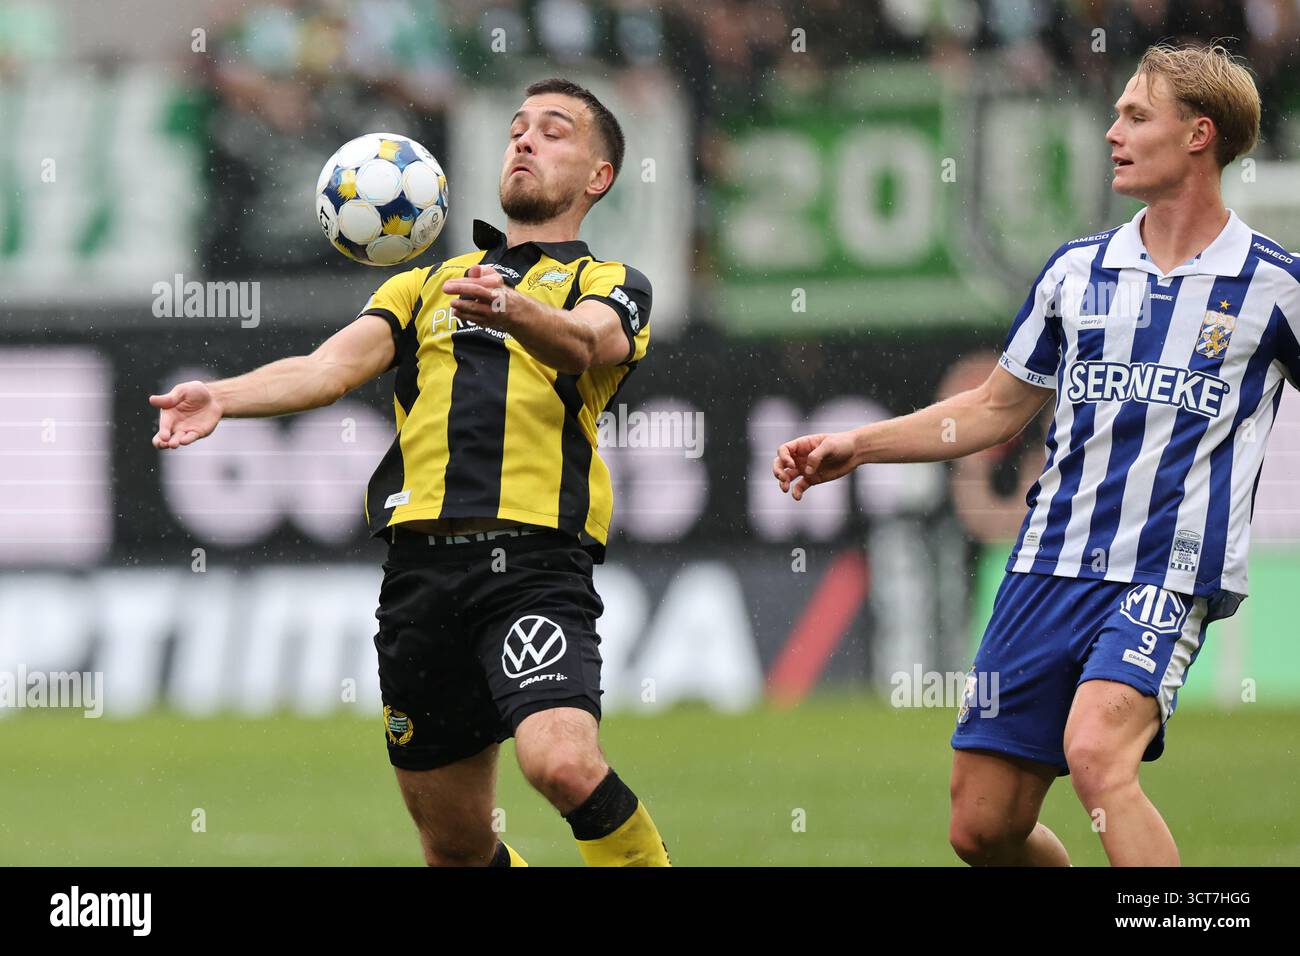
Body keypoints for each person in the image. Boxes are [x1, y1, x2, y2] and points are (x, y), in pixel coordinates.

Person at [773, 43, 1299, 866]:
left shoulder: (1275, 287)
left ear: (1200, 135)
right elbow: (992, 410)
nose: (1110, 130)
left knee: (1097, 755)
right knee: (982, 828)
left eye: (1135, 115)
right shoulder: (1075, 274)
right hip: (1044, 569)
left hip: (1165, 575)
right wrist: (859, 444)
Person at [150, 78, 669, 867]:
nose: (525, 140)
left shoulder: (608, 283)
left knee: (560, 763)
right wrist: (220, 396)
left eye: (554, 132)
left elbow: (587, 344)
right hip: (420, 578)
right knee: (456, 848)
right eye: (517, 127)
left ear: (598, 177)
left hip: (532, 566)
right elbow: (327, 369)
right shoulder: (426, 284)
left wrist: (513, 309)